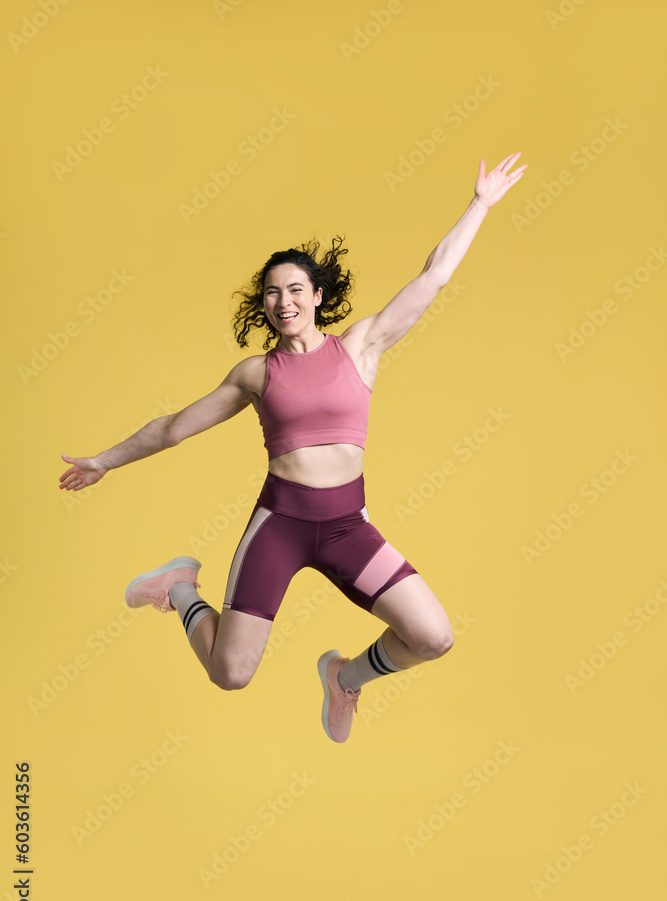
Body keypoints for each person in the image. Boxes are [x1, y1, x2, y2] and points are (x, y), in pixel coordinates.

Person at [59, 152, 527, 744]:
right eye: (273, 293)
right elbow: (174, 426)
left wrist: (480, 204)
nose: (285, 302)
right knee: (230, 674)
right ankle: (180, 589)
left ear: (318, 294)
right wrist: (104, 460)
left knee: (434, 637)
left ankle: (345, 678)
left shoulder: (360, 346)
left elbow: (431, 278)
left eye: (296, 289)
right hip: (280, 525)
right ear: (266, 305)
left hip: (346, 527)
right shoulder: (256, 373)